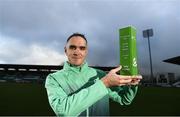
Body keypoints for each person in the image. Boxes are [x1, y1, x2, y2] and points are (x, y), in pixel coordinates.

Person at [45, 33, 142, 116]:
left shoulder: (99, 74)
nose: (77, 52)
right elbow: (63, 111)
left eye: (82, 48)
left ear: (86, 51)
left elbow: (124, 99)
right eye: (72, 47)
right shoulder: (53, 78)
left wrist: (131, 85)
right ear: (65, 50)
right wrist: (104, 84)